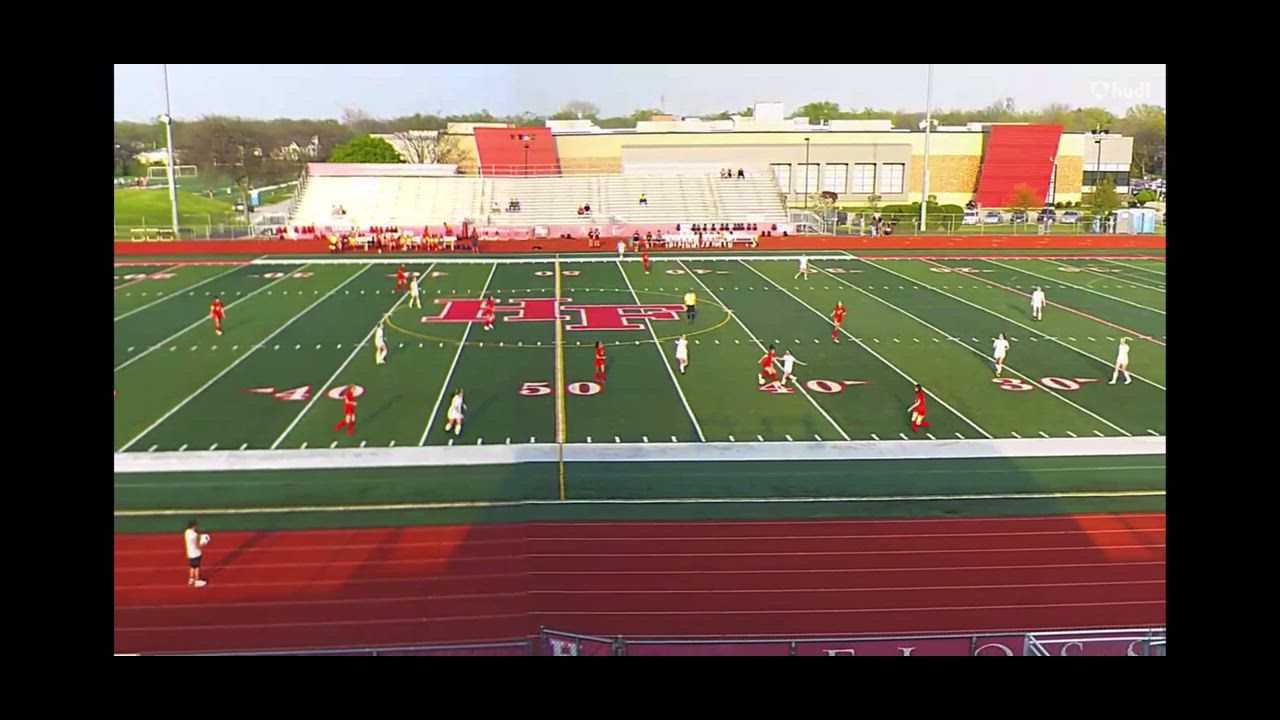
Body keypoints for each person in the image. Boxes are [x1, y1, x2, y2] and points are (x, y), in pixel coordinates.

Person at [184, 520, 209, 587]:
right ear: (193, 526)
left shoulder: (187, 532)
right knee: (197, 567)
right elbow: (197, 545)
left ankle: (191, 579)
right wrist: (204, 544)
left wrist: (200, 536)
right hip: (196, 553)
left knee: (192, 566)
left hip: (190, 552)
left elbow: (196, 536)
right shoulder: (194, 535)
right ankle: (197, 580)